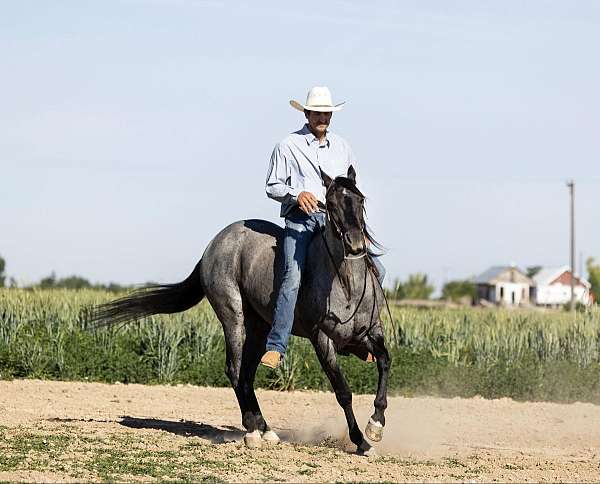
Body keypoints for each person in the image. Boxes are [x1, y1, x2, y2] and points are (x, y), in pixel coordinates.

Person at [261, 86, 384, 369]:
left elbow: (354, 189)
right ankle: (276, 346)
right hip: (301, 219)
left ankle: (356, 339)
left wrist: (357, 224)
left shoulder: (343, 147)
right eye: (317, 113)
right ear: (306, 113)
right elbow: (272, 185)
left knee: (378, 270)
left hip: (335, 221)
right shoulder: (287, 145)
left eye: (327, 114)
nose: (323, 118)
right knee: (292, 277)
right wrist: (296, 194)